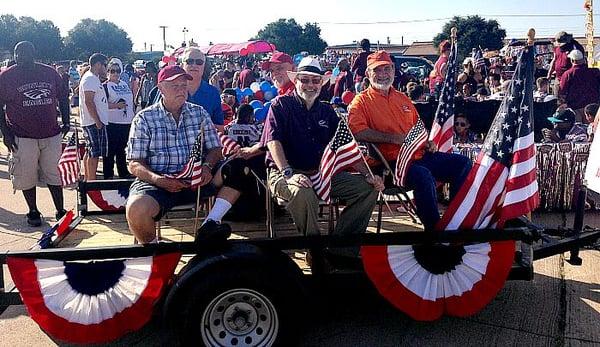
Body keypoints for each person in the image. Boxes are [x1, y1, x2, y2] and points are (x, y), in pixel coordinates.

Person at [348, 50, 472, 230]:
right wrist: (393, 139)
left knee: (462, 163)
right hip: (389, 164)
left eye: (386, 69)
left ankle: (454, 219)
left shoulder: (402, 98)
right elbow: (357, 131)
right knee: (423, 175)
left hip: (418, 155)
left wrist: (427, 141)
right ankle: (434, 231)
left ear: (393, 70)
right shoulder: (360, 101)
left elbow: (417, 127)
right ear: (368, 74)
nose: (383, 74)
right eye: (377, 70)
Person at [262, 56, 384, 238]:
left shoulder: (327, 111)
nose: (310, 85)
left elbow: (345, 145)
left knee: (368, 189)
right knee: (303, 193)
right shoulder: (280, 105)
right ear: (295, 81)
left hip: (321, 173)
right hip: (285, 171)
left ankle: (342, 247)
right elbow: (273, 142)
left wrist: (368, 175)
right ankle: (315, 250)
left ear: (321, 84)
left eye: (315, 80)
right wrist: (289, 173)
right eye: (304, 80)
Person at [125, 65, 225, 244]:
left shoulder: (199, 113)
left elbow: (215, 148)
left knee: (238, 169)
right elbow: (134, 163)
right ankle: (155, 252)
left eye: (183, 85)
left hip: (196, 180)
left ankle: (212, 222)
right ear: (161, 88)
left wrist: (207, 166)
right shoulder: (144, 118)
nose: (181, 89)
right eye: (175, 86)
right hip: (158, 183)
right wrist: (158, 180)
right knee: (136, 209)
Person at [0, 41, 70, 226]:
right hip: (21, 136)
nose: (19, 57)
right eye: (17, 54)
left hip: (51, 134)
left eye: (24, 53)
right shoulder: (6, 76)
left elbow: (63, 97)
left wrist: (67, 120)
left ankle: (60, 209)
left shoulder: (49, 72)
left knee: (54, 174)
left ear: (33, 53)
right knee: (26, 175)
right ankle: (33, 210)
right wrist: (5, 134)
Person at [79, 53, 109, 181]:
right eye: (105, 65)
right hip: (92, 122)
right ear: (98, 64)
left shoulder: (94, 78)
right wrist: (97, 120)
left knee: (90, 151)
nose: (106, 68)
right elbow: (88, 101)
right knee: (94, 153)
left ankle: (88, 179)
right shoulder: (90, 79)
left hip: (94, 121)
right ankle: (92, 181)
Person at [104, 58, 134, 179]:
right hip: (112, 122)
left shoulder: (123, 84)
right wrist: (116, 106)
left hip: (126, 121)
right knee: (110, 150)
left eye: (117, 71)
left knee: (122, 149)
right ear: (108, 72)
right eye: (112, 71)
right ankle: (108, 174)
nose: (115, 73)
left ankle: (123, 172)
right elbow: (101, 104)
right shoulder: (105, 86)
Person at [181, 47, 224, 131]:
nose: (194, 65)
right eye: (189, 61)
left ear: (204, 66)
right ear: (182, 65)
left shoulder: (213, 93)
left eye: (199, 62)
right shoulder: (172, 90)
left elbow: (219, 127)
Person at [559, 49, 600, 122]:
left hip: (575, 107)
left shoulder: (567, 74)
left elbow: (562, 92)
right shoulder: (595, 72)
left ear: (572, 60)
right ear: (584, 59)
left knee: (577, 129)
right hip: (593, 108)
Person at [547, 31, 586, 96]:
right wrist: (549, 73)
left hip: (572, 80)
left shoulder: (576, 48)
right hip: (559, 78)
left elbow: (580, 62)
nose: (560, 46)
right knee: (557, 99)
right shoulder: (557, 48)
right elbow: (554, 60)